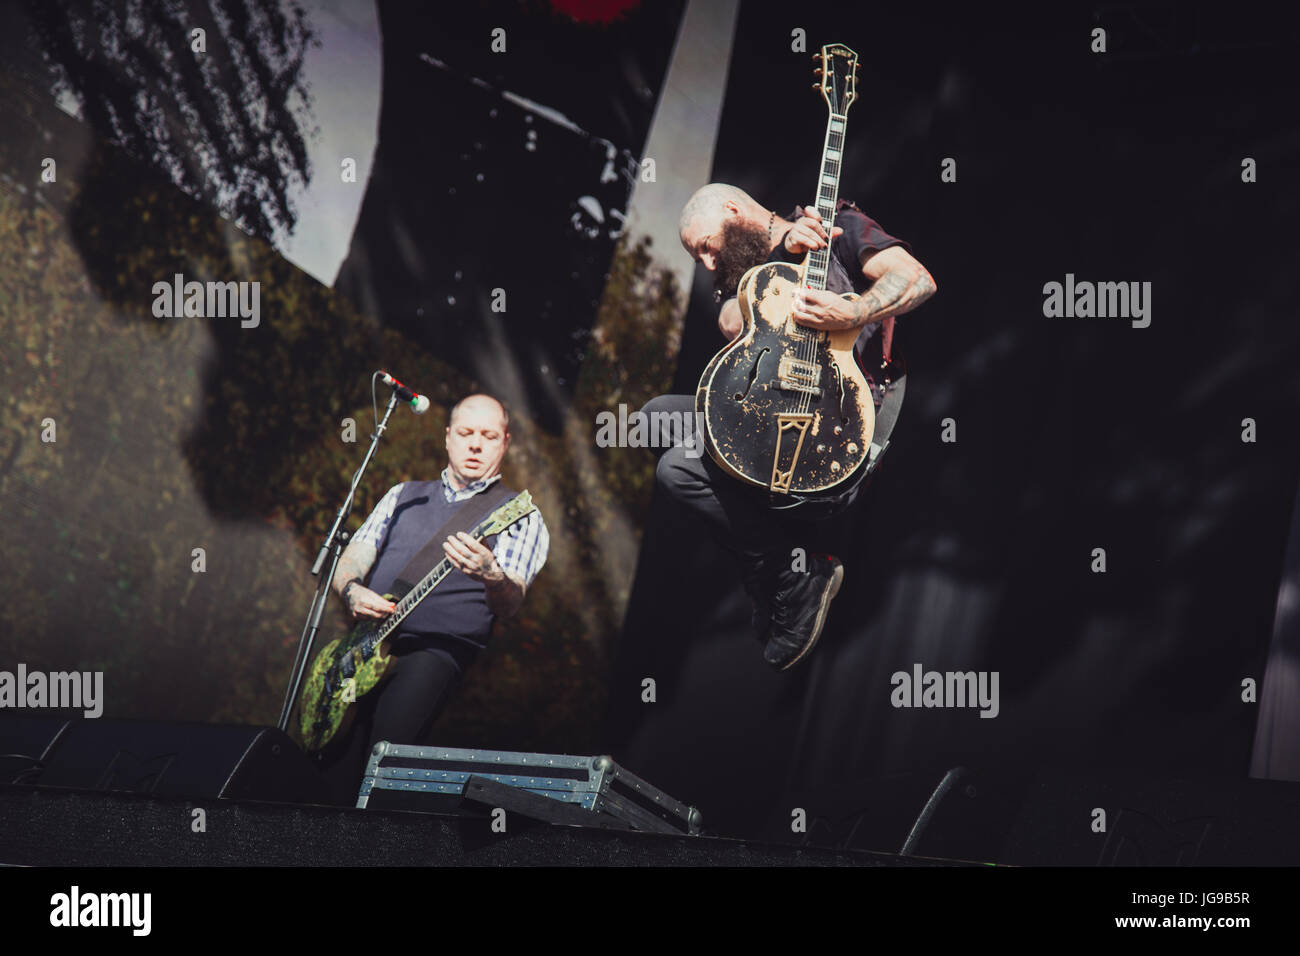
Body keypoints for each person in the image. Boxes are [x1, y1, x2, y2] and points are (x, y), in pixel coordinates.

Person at [644, 183, 936, 671]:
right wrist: (782, 252)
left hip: (835, 431)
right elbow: (732, 322)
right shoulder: (751, 265)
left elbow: (918, 279)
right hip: (763, 423)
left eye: (705, 247)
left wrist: (857, 309)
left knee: (677, 470)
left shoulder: (840, 228)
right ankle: (783, 570)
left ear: (732, 210)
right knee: (654, 421)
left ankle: (785, 575)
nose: (709, 263)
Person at [316, 393, 549, 802]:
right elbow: (352, 557)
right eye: (466, 433)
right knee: (330, 771)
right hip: (362, 647)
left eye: (489, 436)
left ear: (505, 442)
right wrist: (351, 589)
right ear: (447, 438)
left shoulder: (519, 514)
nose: (476, 444)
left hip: (434, 653)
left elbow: (510, 604)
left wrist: (492, 576)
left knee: (382, 764)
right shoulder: (403, 495)